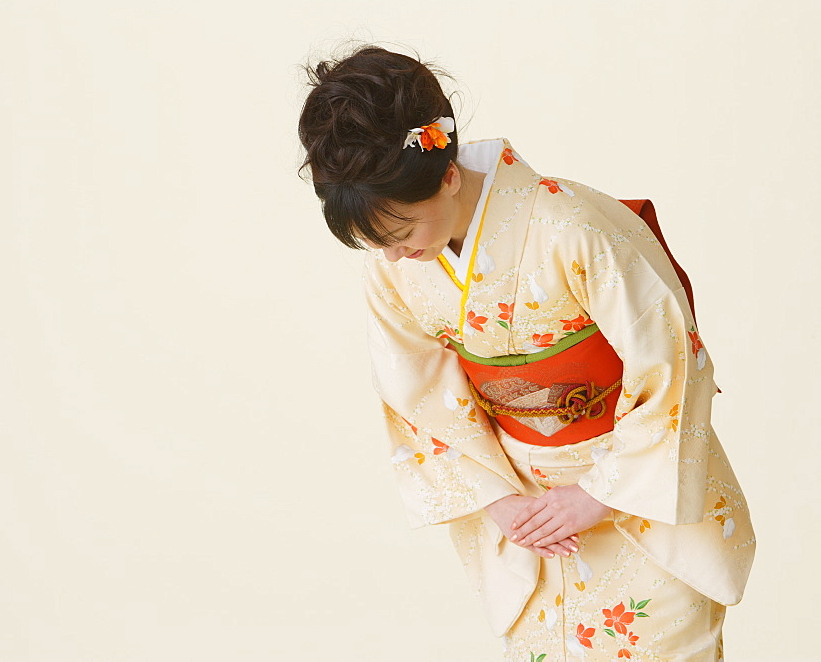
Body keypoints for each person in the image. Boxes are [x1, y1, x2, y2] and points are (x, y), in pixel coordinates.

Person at [297, 45, 755, 661]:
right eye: (375, 243)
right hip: (524, 510)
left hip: (637, 504)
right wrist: (497, 500)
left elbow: (673, 359)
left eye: (403, 232)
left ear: (449, 173)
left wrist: (600, 492)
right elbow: (417, 395)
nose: (394, 257)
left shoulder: (575, 226)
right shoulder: (395, 271)